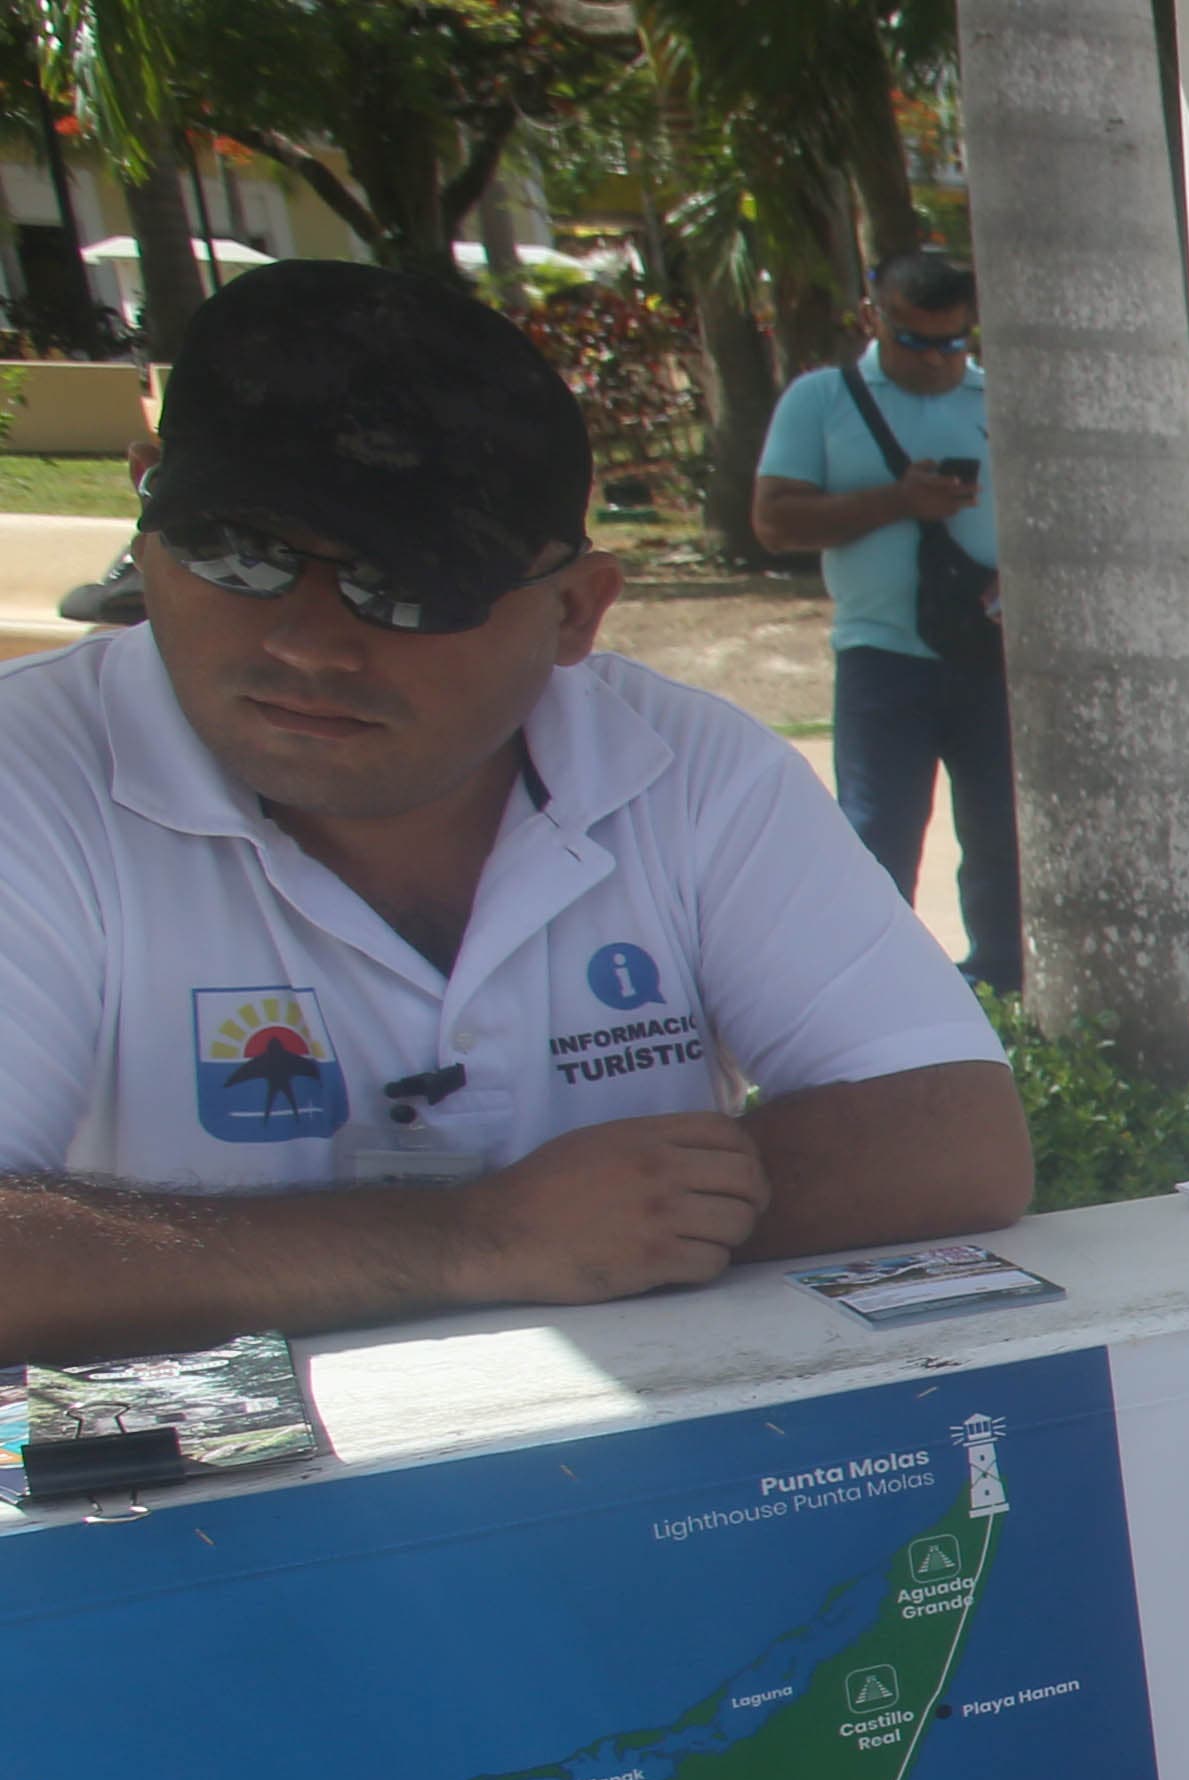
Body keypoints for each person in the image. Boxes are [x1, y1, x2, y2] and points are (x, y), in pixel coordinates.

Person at [0, 263, 1027, 1367]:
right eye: (234, 551)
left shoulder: (680, 767)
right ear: (146, 503)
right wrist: (473, 1239)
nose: (306, 643)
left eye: (410, 588)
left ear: (576, 610)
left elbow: (950, 1137)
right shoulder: (32, 776)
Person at [749, 247, 1013, 991]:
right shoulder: (821, 400)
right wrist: (899, 501)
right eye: (916, 342)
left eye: (953, 343)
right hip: (881, 658)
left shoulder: (998, 399)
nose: (936, 361)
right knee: (876, 837)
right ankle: (874, 989)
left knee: (1002, 837)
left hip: (991, 657)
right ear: (875, 320)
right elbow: (773, 521)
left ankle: (1002, 986)